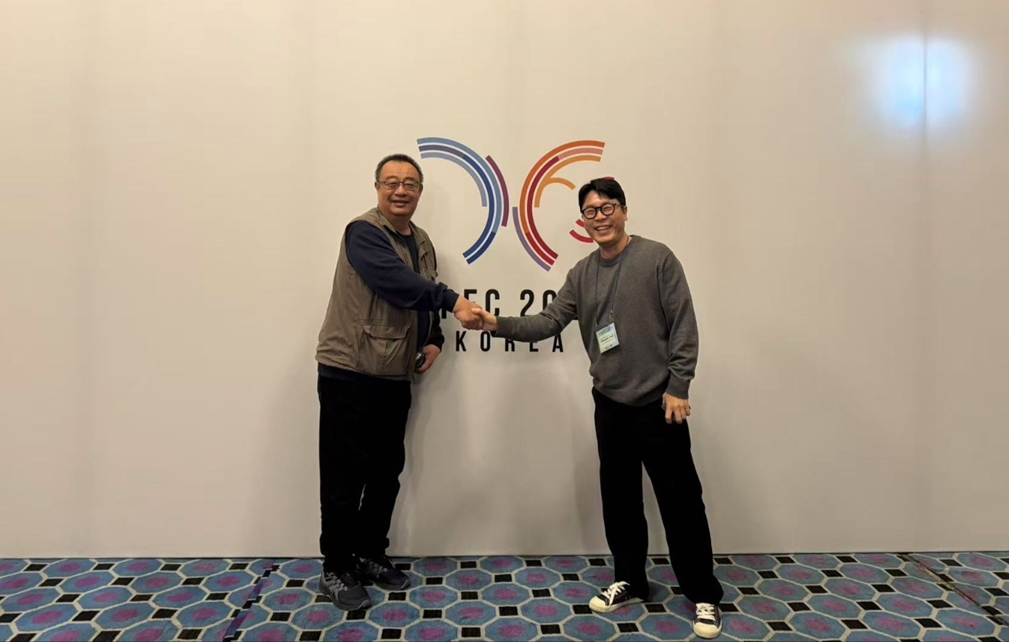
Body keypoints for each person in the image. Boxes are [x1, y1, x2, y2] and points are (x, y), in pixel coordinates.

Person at [473, 177, 724, 638]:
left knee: (681, 502)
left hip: (660, 403)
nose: (600, 217)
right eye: (591, 211)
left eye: (608, 207)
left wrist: (679, 386)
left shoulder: (657, 258)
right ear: (583, 222)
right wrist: (495, 322)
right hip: (609, 403)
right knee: (620, 498)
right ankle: (630, 579)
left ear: (624, 211)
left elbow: (683, 325)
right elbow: (548, 321)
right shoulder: (582, 273)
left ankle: (703, 593)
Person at [315, 153, 483, 611]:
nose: (400, 190)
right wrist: (454, 302)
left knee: (385, 473)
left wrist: (434, 338)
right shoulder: (363, 232)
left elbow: (420, 290)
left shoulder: (421, 240)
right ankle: (336, 567)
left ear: (420, 192)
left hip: (393, 373)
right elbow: (394, 282)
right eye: (391, 182)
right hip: (349, 371)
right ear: (377, 188)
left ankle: (370, 553)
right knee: (344, 477)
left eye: (410, 183)